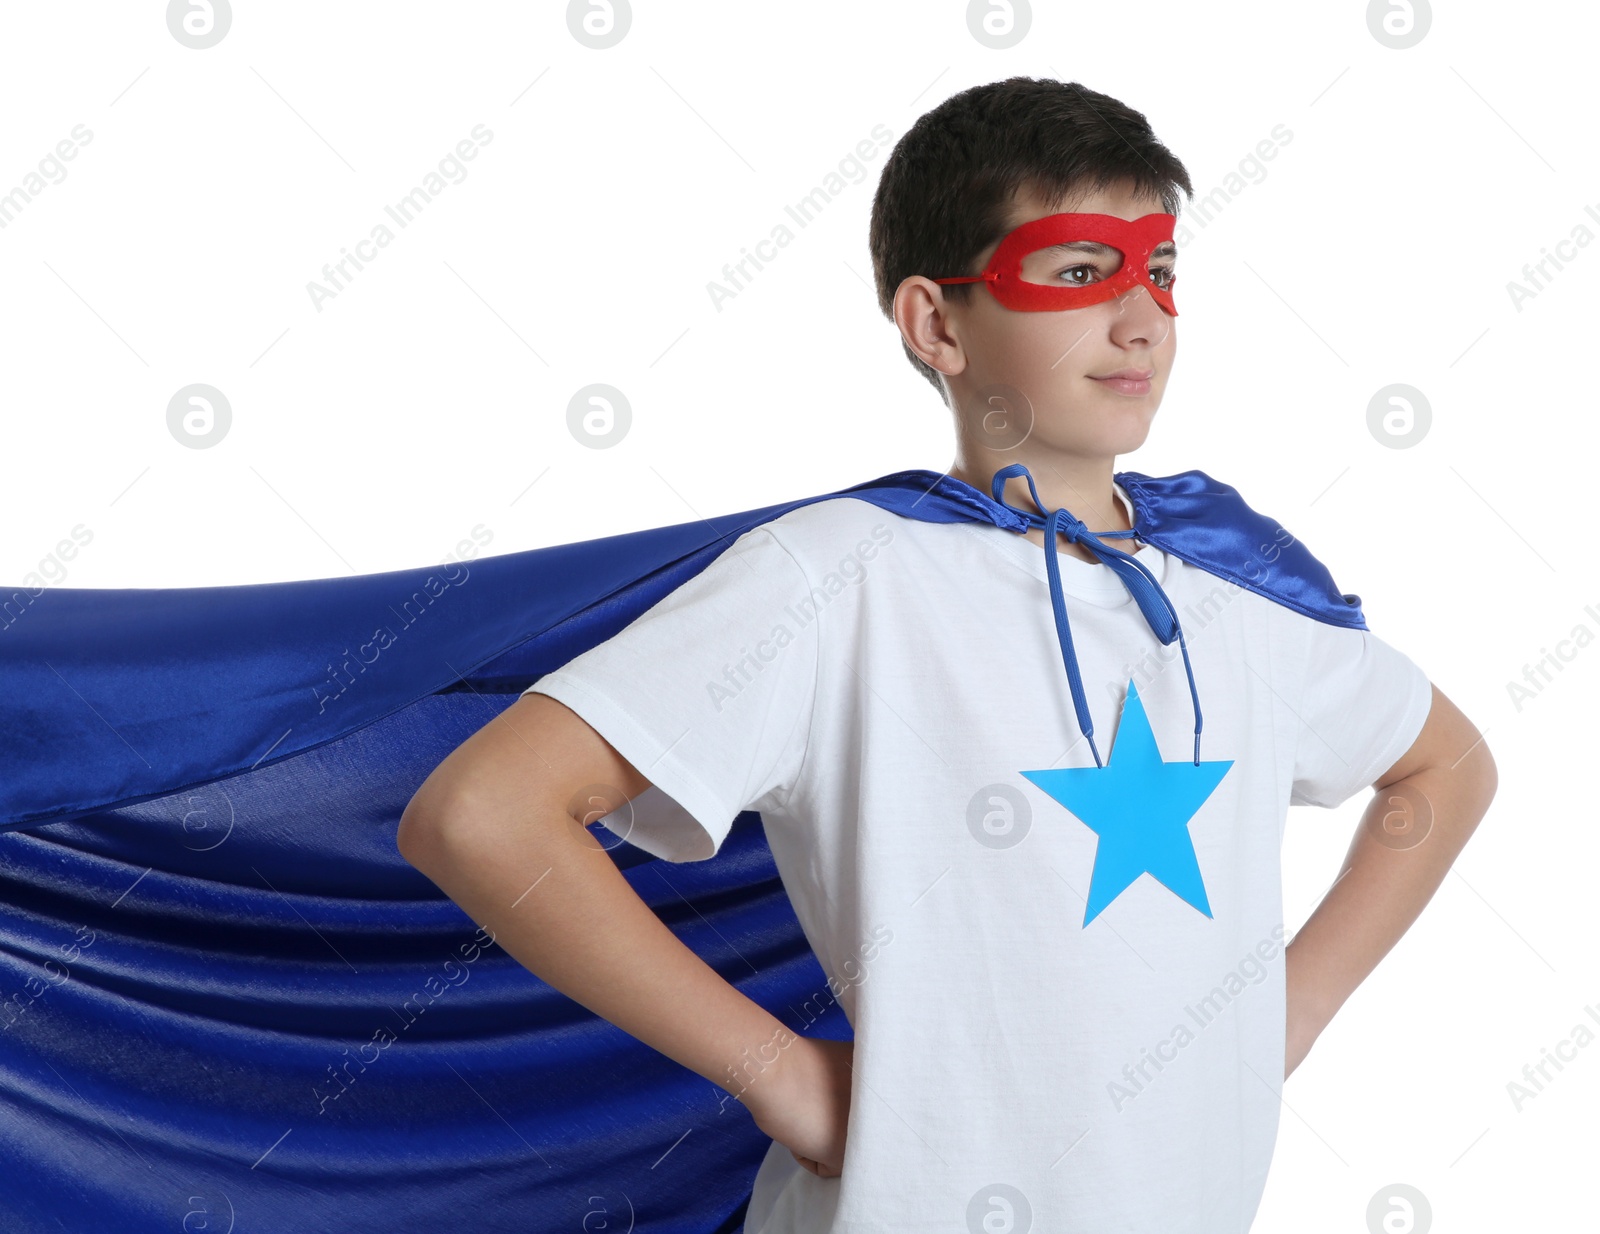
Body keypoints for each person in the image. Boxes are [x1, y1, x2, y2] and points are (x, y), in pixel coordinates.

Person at [395, 77, 1497, 1232]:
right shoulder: (835, 581)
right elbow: (482, 811)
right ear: (936, 323)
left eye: (1158, 273)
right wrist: (776, 1074)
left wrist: (1296, 1007)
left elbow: (1446, 765)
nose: (1140, 320)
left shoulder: (1239, 584)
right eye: (1079, 272)